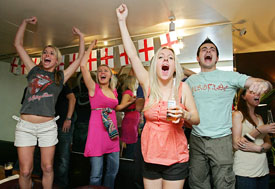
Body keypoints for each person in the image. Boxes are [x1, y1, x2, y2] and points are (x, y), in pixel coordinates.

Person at [116, 4, 200, 189]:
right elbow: (132, 55)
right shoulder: (148, 84)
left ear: (175, 66)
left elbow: (196, 118)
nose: (166, 60)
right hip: (150, 155)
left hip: (176, 157)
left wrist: (185, 115)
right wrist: (122, 21)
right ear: (155, 64)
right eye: (161, 57)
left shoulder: (183, 88)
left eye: (170, 58)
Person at [186, 38, 273, 189]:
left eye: (212, 49)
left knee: (224, 184)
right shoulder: (190, 81)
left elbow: (259, 82)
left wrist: (264, 84)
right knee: (197, 183)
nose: (208, 51)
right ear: (198, 58)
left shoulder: (229, 77)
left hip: (222, 140)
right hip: (196, 139)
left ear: (217, 58)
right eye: (204, 49)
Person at [13, 16, 84, 189]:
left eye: (52, 53)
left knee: (48, 167)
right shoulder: (33, 70)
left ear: (57, 60)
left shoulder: (60, 77)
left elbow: (80, 58)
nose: (47, 54)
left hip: (47, 128)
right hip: (25, 126)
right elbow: (18, 45)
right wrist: (24, 23)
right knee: (25, 171)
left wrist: (81, 37)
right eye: (45, 52)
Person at [80, 41, 119, 189]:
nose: (102, 72)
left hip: (112, 133)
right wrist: (90, 47)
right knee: (96, 173)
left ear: (110, 75)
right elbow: (83, 66)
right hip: (97, 132)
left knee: (113, 171)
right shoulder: (93, 88)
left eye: (106, 71)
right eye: (100, 71)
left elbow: (117, 107)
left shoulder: (114, 92)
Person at [232, 89, 273, 189]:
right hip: (245, 171)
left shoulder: (259, 117)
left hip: (263, 170)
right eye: (252, 92)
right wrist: (258, 130)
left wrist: (258, 148)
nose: (257, 94)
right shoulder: (237, 115)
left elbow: (268, 143)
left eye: (258, 93)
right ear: (243, 97)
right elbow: (236, 145)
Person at [54, 84, 76, 188]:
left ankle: (61, 185)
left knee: (63, 157)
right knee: (47, 158)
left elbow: (72, 98)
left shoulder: (61, 84)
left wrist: (68, 119)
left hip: (62, 125)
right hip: (47, 126)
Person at [116, 75, 139, 158]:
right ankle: (128, 162)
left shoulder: (131, 93)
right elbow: (121, 107)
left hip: (133, 119)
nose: (137, 83)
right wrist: (131, 102)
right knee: (130, 143)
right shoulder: (127, 93)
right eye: (136, 82)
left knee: (132, 142)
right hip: (129, 121)